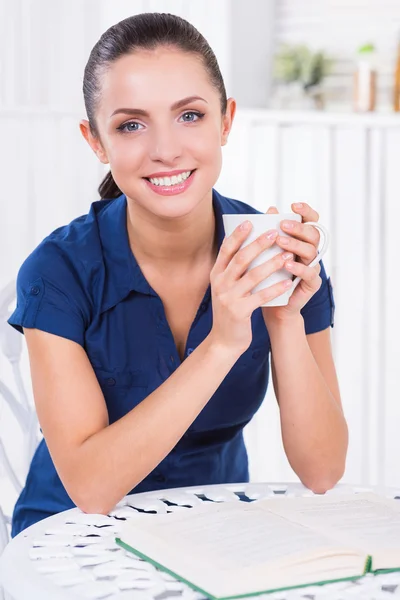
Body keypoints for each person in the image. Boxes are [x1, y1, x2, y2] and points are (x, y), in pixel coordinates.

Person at [8, 12, 348, 537]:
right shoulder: (59, 271)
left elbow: (322, 470)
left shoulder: (277, 252)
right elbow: (93, 490)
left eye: (189, 116)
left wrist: (283, 319)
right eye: (131, 125)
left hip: (216, 532)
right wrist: (222, 343)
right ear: (96, 141)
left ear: (226, 121)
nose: (165, 149)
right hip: (73, 538)